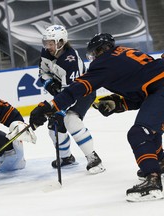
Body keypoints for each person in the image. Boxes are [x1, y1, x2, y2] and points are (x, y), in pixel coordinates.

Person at [29, 33, 164, 202]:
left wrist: (49, 106)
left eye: (93, 54)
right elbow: (147, 92)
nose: (92, 59)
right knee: (151, 129)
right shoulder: (126, 53)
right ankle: (159, 163)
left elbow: (76, 89)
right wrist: (120, 104)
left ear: (100, 50)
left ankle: (153, 181)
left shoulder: (105, 62)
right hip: (159, 88)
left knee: (139, 134)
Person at [38, 25, 105, 174]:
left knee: (70, 120)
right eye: (46, 43)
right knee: (53, 126)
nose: (47, 46)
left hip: (83, 92)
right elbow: (42, 72)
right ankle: (66, 157)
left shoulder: (71, 60)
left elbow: (72, 93)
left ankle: (93, 158)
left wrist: (58, 108)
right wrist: (50, 84)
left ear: (61, 42)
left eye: (51, 43)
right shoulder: (46, 53)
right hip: (64, 92)